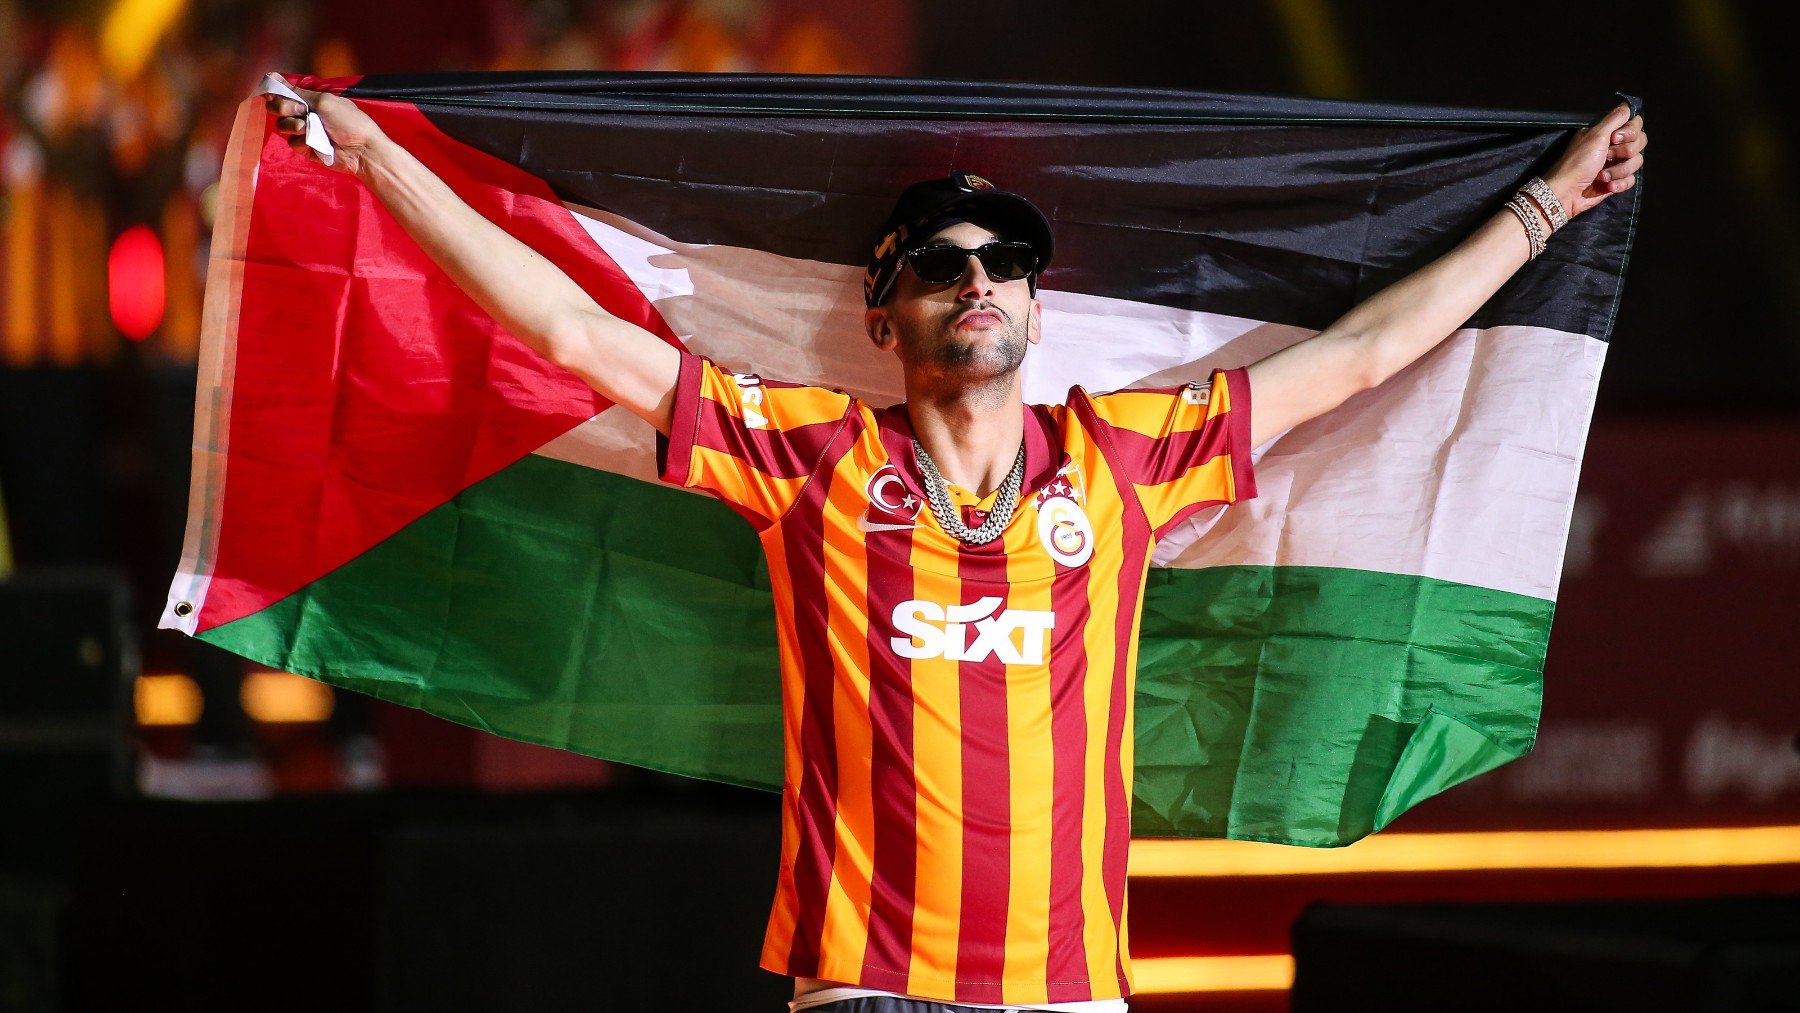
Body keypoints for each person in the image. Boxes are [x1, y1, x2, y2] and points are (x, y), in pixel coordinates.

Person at [263, 84, 1645, 1011]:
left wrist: (1547, 209)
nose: (977, 276)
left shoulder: (1120, 456)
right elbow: (573, 337)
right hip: (866, 991)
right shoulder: (808, 455)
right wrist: (375, 152)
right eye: (938, 260)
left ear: (1037, 312)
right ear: (887, 316)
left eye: (1004, 261)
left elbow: (1361, 361)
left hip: (1067, 993)